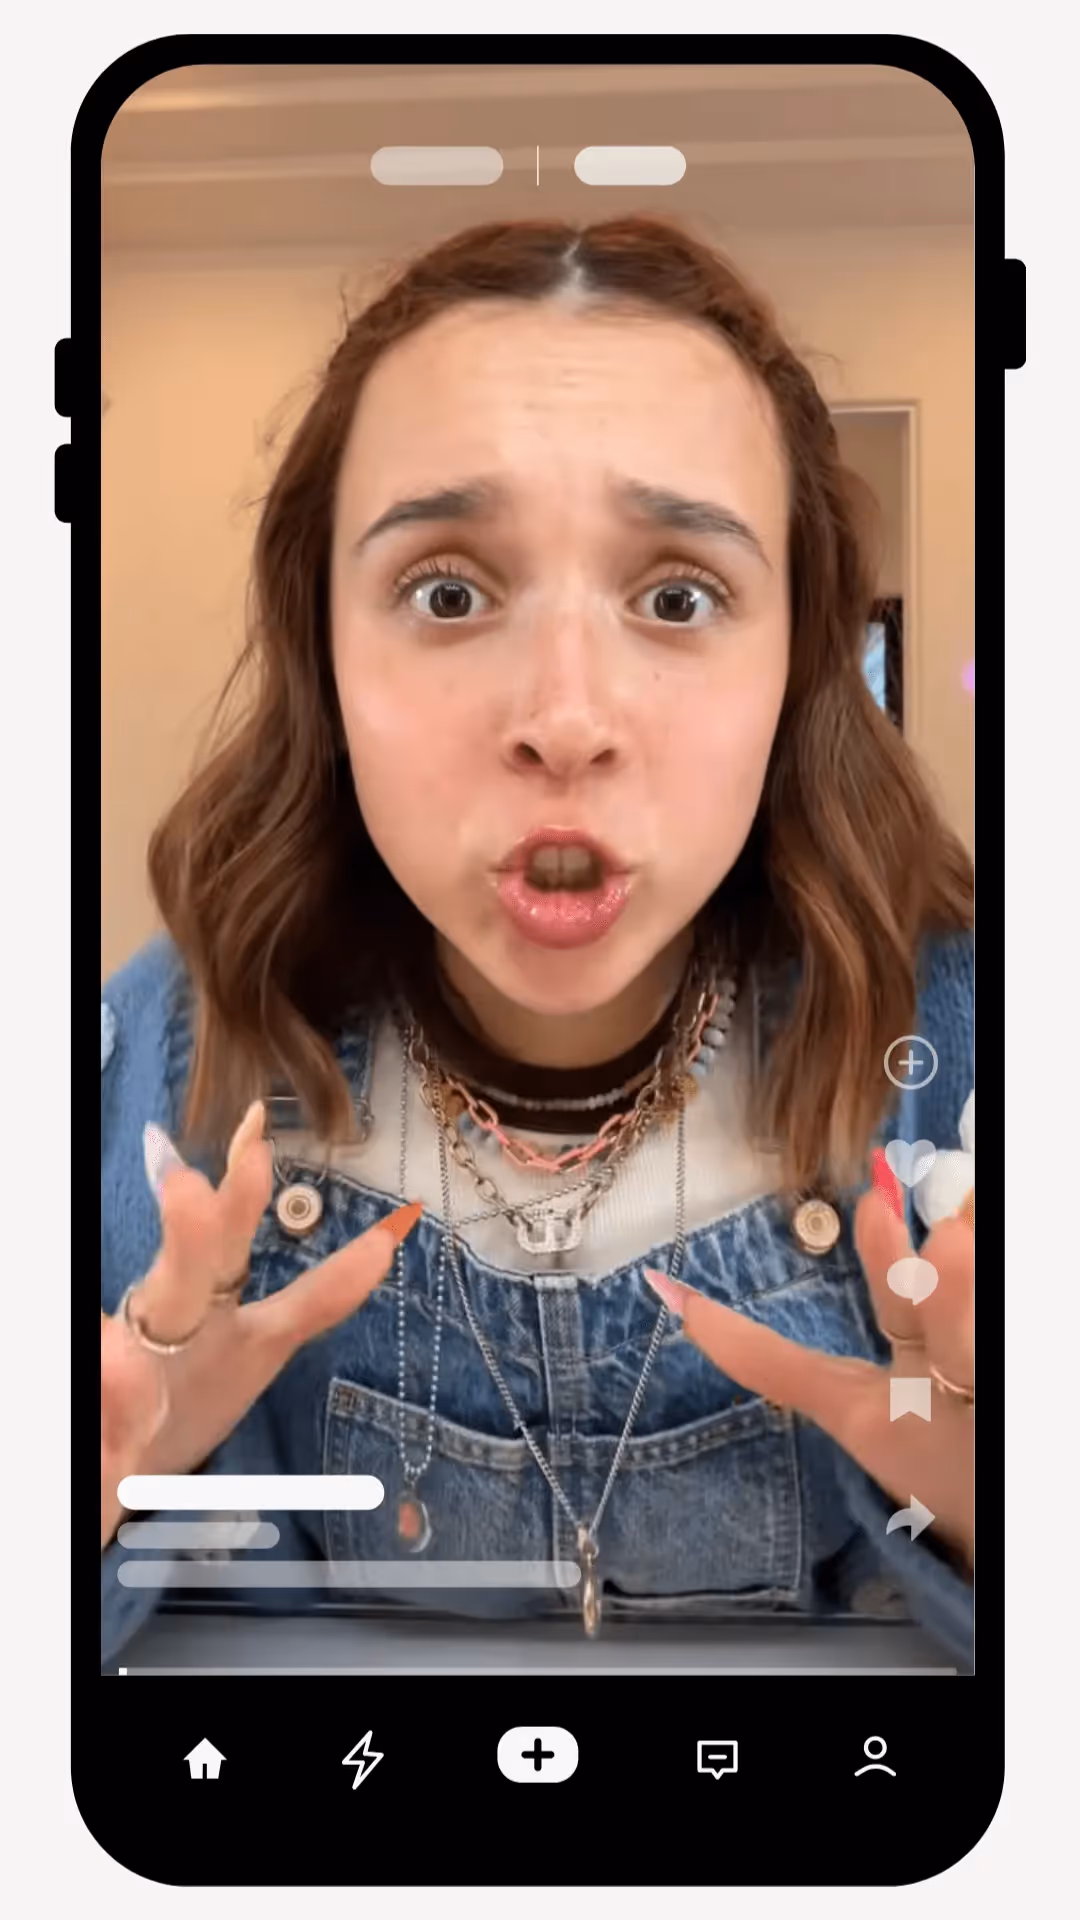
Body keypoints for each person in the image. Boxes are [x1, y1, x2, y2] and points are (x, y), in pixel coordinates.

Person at [101, 214, 974, 1671]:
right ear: (324, 648)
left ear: (799, 660)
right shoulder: (160, 1072)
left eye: (678, 597)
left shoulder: (963, 1063)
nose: (566, 720)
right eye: (448, 592)